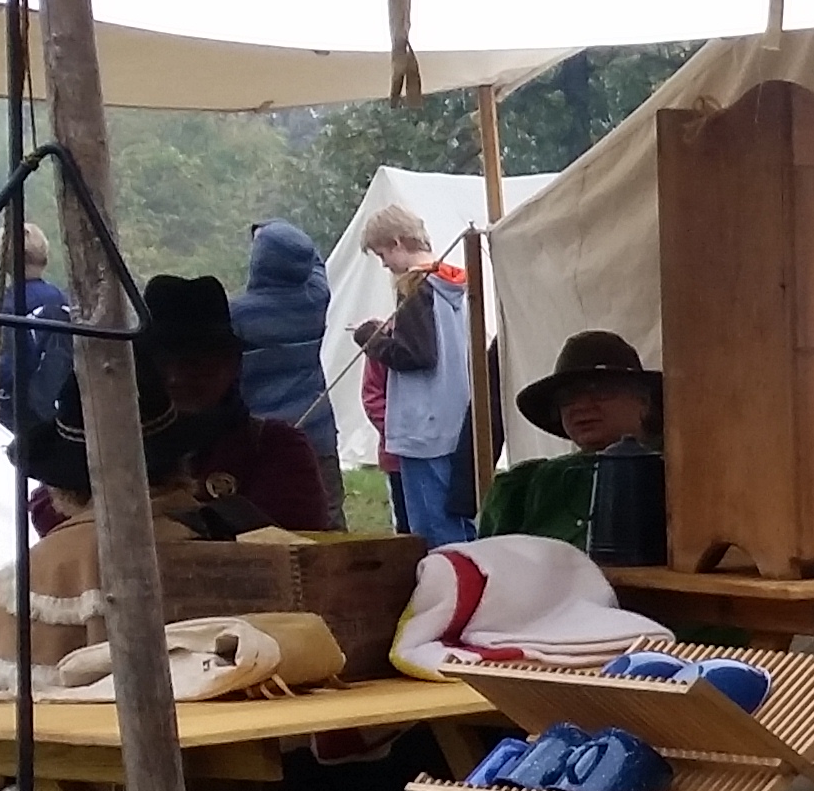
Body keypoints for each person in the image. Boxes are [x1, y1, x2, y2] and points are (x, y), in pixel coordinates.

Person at [133, 273, 334, 532]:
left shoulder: (275, 448)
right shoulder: (112, 452)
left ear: (232, 364)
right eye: (160, 364)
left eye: (194, 363)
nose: (175, 378)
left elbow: (297, 545)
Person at [348, 199, 478, 547]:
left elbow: (416, 355)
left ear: (396, 243)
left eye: (382, 255)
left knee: (432, 533)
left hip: (423, 428)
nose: (384, 264)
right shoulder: (452, 285)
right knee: (459, 523)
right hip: (454, 417)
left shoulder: (415, 286)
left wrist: (371, 338)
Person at [481, 329, 664, 543]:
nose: (581, 406)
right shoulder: (527, 488)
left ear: (644, 400)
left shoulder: (679, 473)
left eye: (600, 389)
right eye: (567, 397)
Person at [234, 222, 342, 486]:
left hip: (263, 442)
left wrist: (264, 229)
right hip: (317, 435)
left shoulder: (237, 316)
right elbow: (315, 261)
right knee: (325, 509)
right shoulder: (316, 299)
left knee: (267, 510)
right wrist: (277, 232)